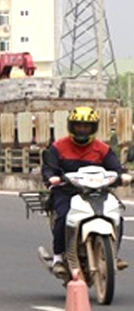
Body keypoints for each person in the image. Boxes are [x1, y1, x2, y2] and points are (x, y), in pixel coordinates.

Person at [41, 105, 126, 279]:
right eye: (78, 126)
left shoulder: (101, 148)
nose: (82, 130)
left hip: (97, 191)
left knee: (117, 214)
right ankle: (58, 258)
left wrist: (123, 176)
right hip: (67, 191)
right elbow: (48, 168)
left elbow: (116, 168)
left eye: (86, 126)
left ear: (93, 128)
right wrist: (51, 178)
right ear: (71, 126)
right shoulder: (59, 146)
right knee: (63, 216)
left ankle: (113, 255)